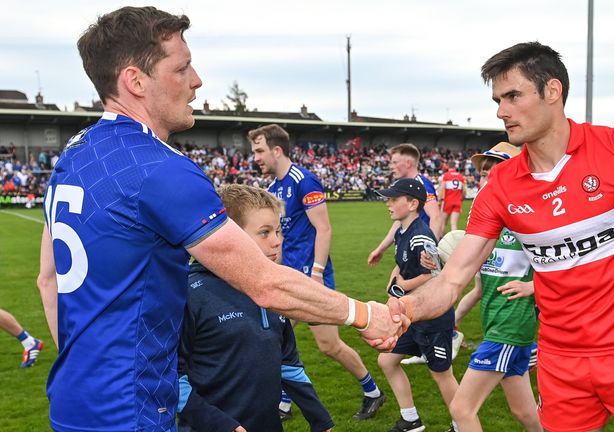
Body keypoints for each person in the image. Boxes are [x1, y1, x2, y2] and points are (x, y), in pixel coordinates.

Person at [36, 7, 401, 431]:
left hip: (71, 400)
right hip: (129, 409)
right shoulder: (158, 167)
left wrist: (87, 367)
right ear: (135, 81)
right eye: (182, 68)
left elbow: (47, 280)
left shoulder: (74, 154)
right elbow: (263, 281)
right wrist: (364, 314)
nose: (197, 81)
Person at [377, 42, 614, 432]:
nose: (501, 111)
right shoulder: (499, 188)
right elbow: (453, 279)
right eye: (497, 99)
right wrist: (404, 310)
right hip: (560, 361)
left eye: (513, 96)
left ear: (552, 91)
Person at [248, 124, 386, 420]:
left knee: (327, 345)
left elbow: (323, 229)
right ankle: (284, 403)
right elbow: (280, 238)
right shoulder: (273, 189)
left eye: (259, 150)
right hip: (287, 279)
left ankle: (372, 392)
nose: (255, 157)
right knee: (278, 339)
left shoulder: (303, 181)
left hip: (310, 278)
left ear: (276, 150)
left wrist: (317, 273)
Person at [177, 184, 333, 432]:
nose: (277, 242)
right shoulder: (189, 294)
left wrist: (320, 419)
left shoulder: (274, 289)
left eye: (278, 231)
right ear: (229, 236)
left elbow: (288, 363)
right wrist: (224, 425)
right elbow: (173, 379)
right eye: (264, 233)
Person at [446, 142, 542, 432]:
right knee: (524, 411)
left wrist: (534, 286)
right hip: (497, 323)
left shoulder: (529, 216)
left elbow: (566, 260)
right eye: (484, 171)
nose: (486, 176)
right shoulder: (488, 219)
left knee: (462, 408)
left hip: (510, 326)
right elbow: (475, 284)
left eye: (493, 169)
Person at [375, 178, 460, 432]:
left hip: (433, 318)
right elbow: (401, 265)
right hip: (413, 315)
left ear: (413, 204)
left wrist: (401, 286)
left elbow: (432, 276)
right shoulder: (402, 232)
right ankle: (411, 420)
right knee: (386, 361)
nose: (388, 204)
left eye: (393, 199)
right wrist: (395, 283)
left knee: (442, 375)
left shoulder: (421, 237)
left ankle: (461, 424)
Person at [367, 143, 442, 267]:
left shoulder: (421, 184)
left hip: (421, 251)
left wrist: (430, 251)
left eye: (395, 162)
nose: (391, 167)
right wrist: (381, 249)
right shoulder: (404, 186)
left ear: (408, 163)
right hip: (409, 247)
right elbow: (399, 222)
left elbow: (436, 217)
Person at [437, 160, 466, 232]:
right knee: (454, 224)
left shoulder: (446, 175)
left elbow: (442, 188)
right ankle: (454, 242)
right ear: (455, 166)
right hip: (457, 202)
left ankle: (441, 240)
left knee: (443, 223)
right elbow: (464, 191)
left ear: (447, 166)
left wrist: (439, 200)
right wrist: (461, 199)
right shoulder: (460, 176)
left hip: (447, 201)